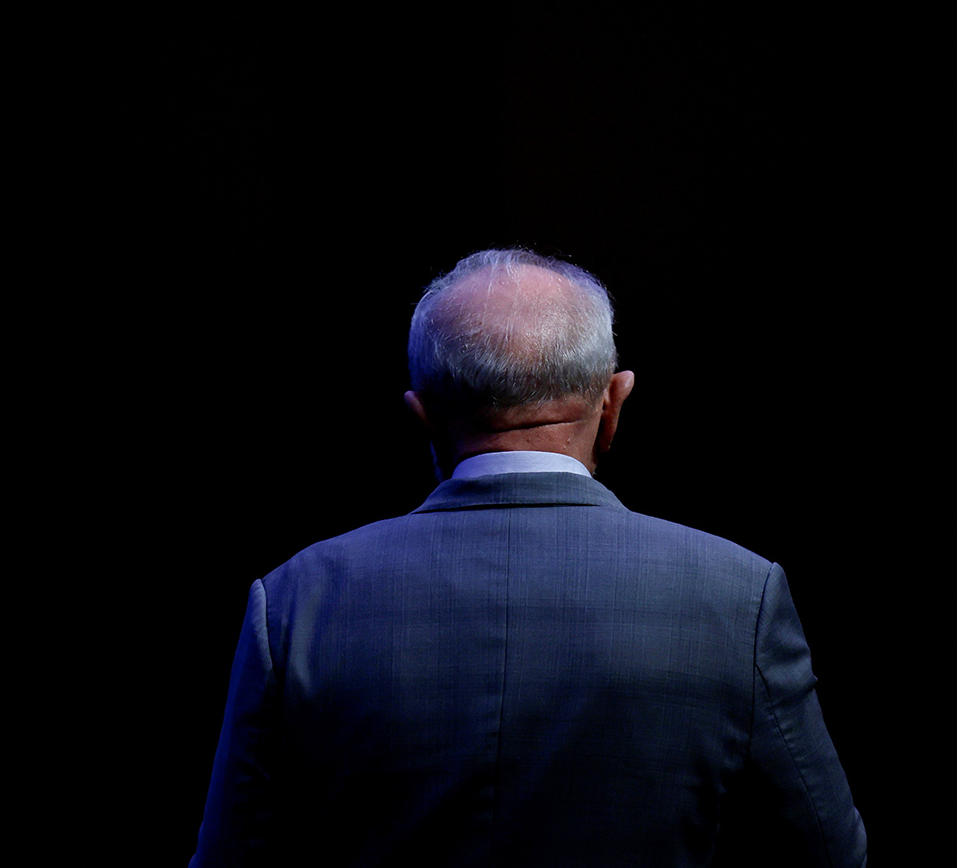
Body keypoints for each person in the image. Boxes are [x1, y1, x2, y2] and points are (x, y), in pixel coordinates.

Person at [188, 248, 867, 866]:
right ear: (614, 403)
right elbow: (829, 854)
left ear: (421, 417)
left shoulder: (293, 603)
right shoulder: (740, 595)